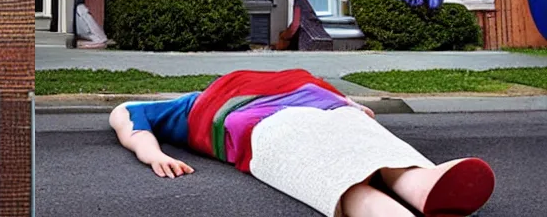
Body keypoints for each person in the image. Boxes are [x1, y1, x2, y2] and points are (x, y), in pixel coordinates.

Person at [109, 67, 494, 216]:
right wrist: (347, 102)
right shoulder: (215, 93)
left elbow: (126, 113)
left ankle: (377, 205)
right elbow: (327, 90)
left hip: (256, 116)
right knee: (361, 138)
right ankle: (420, 181)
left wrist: (151, 152)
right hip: (311, 97)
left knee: (320, 161)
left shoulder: (188, 104)